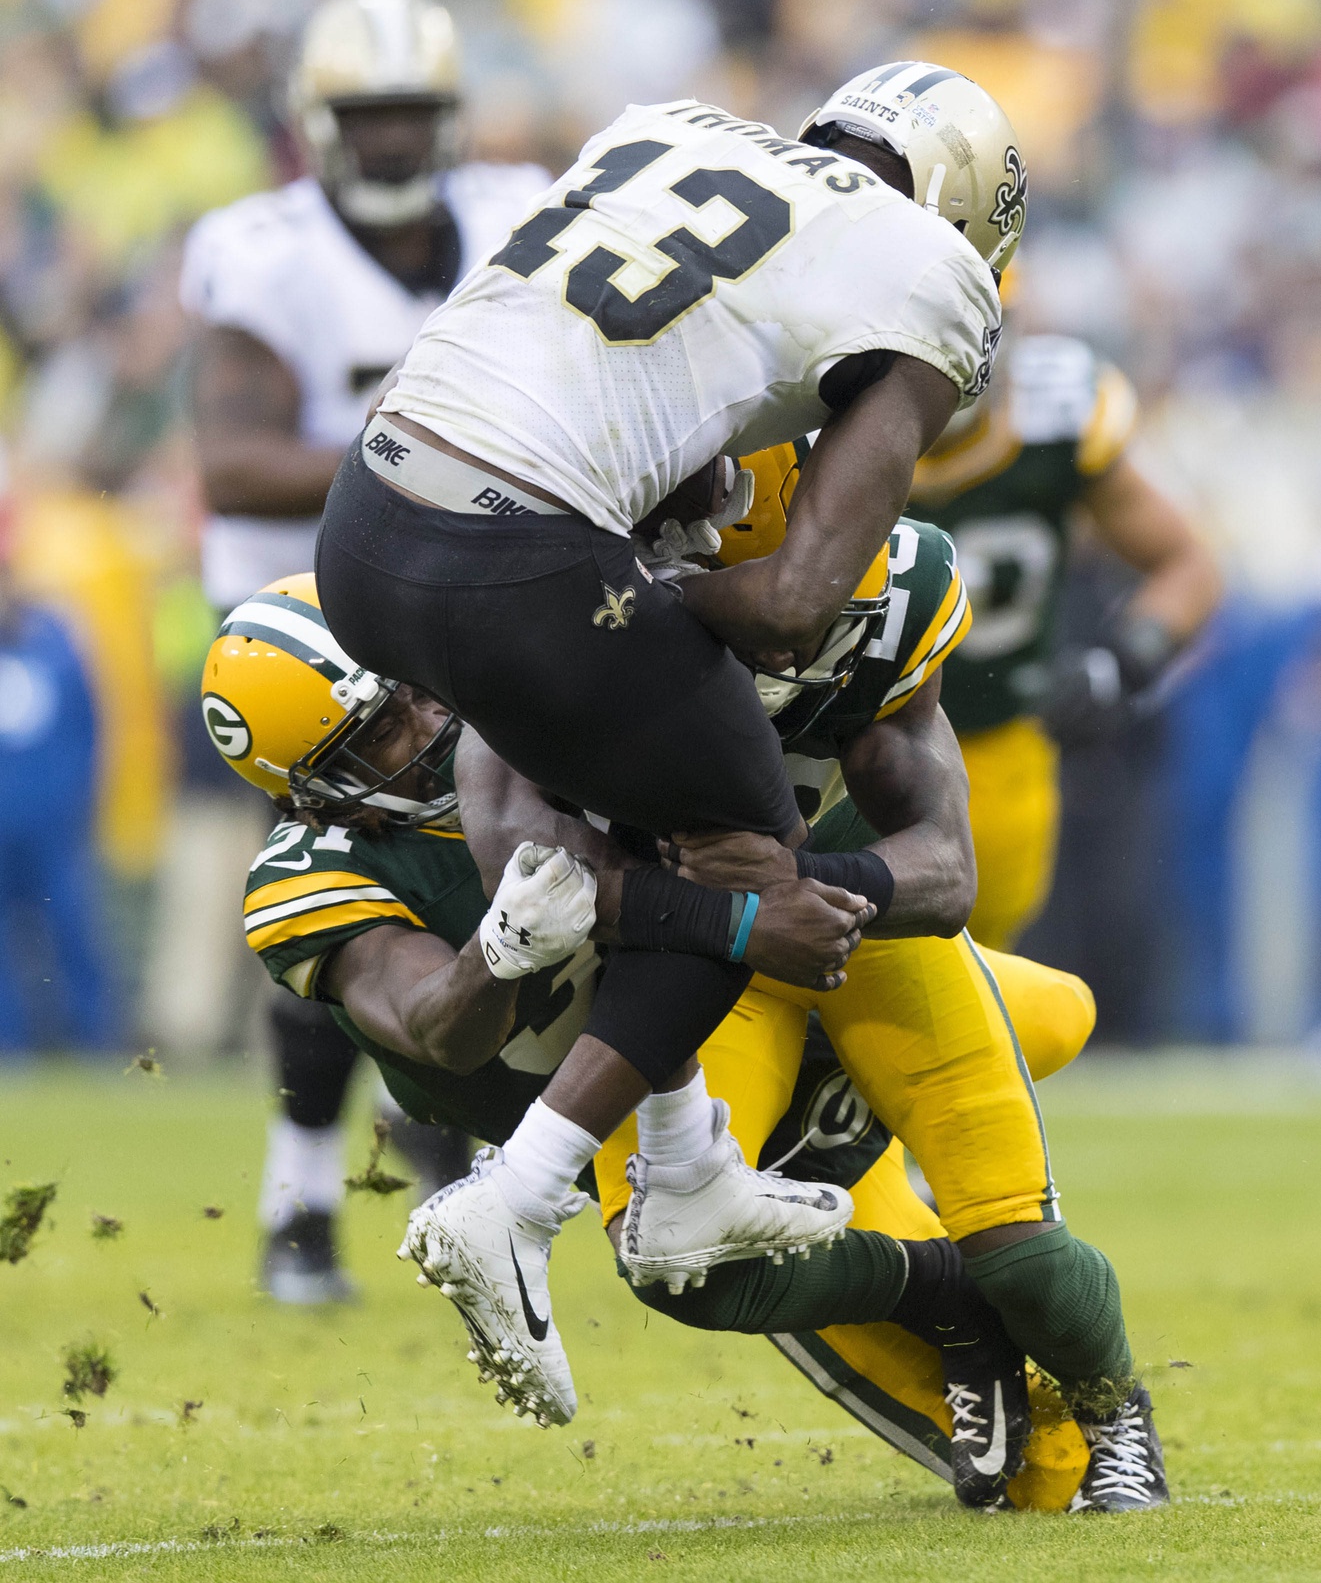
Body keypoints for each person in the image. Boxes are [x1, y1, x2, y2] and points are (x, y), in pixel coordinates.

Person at [314, 63, 1023, 1405]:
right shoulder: (935, 278)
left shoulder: (663, 127)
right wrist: (650, 605)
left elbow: (640, 393)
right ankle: (519, 1195)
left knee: (661, 800)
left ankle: (691, 1164)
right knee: (748, 849)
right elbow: (796, 603)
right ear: (962, 211)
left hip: (364, 519)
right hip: (519, 559)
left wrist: (629, 596)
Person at [203, 571, 1098, 1514]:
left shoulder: (537, 721)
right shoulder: (309, 877)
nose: (430, 721)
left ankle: (898, 1145)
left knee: (1058, 1015)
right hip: (695, 1081)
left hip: (772, 984)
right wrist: (497, 952)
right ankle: (944, 1289)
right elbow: (436, 1030)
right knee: (1036, 1474)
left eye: (418, 687)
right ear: (321, 792)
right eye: (384, 728)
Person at [461, 474, 1167, 1514]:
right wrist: (737, 921)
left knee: (1014, 1242)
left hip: (858, 936)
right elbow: (527, 867)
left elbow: (945, 868)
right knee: (676, 1262)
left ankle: (1119, 1413)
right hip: (693, 972)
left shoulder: (893, 595)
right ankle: (946, 1301)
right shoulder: (587, 615)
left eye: (812, 602)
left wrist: (820, 891)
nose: (785, 640)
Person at [183, 0, 552, 1302]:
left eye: (413, 114)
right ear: (317, 124)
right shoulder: (265, 252)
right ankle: (295, 1196)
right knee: (333, 898)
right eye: (367, 115)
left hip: (461, 605)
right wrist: (434, 462)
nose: (393, 141)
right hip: (299, 630)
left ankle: (451, 1153)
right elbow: (229, 462)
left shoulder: (519, 218)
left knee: (479, 866)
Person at [904, 321, 1222, 952]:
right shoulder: (810, 416)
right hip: (832, 747)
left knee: (978, 972)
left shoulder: (1057, 419)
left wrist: (1122, 663)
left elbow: (1191, 566)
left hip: (999, 745)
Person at [0, 526, 113, 1055]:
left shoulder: (55, 639)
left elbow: (89, 726)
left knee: (74, 928)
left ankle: (95, 1040)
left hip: (53, 823)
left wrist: (83, 800)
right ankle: (12, 1046)